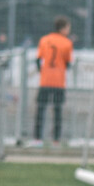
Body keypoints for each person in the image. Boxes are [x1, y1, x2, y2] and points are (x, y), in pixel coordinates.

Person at [32, 16, 73, 147]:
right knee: (57, 111)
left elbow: (38, 60)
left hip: (45, 81)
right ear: (63, 28)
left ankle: (37, 139)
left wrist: (43, 72)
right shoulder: (67, 43)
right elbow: (68, 63)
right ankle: (56, 140)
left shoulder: (44, 40)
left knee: (40, 110)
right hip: (59, 82)